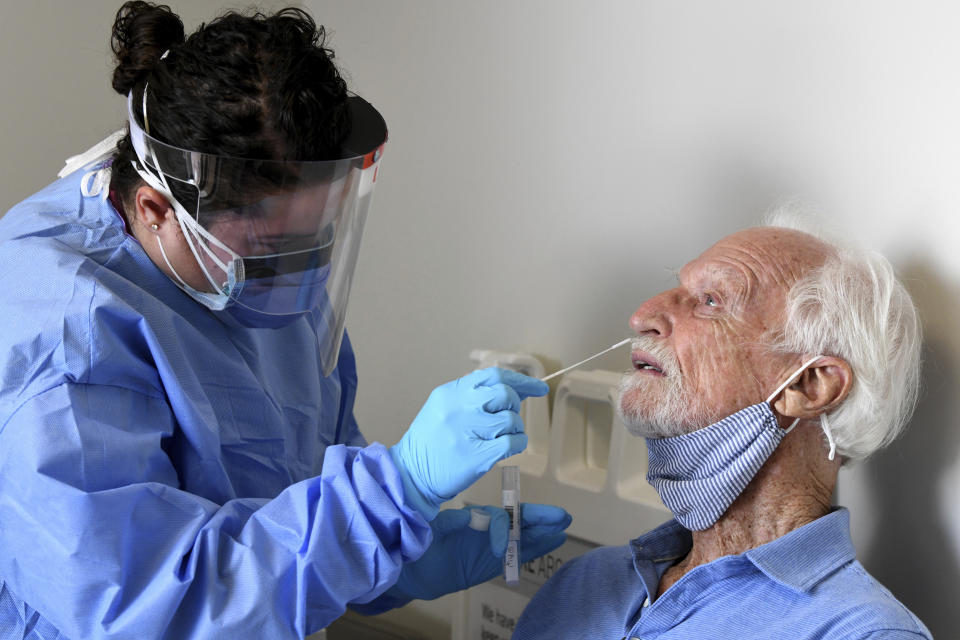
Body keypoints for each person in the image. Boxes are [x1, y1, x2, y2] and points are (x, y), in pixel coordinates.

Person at [0, 3, 571, 639]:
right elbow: (149, 611)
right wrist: (393, 494)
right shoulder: (62, 332)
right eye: (271, 251)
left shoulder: (261, 272)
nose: (295, 284)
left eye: (316, 242)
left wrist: (396, 553)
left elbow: (301, 481)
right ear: (155, 207)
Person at [513, 213, 932, 639]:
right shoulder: (583, 583)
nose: (643, 316)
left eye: (710, 300)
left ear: (810, 384)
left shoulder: (861, 633)